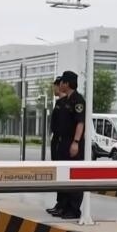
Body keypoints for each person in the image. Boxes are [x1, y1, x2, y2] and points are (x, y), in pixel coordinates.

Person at [53, 70, 86, 220]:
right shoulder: (65, 100)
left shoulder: (78, 100)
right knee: (64, 175)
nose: (60, 84)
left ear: (67, 83)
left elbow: (80, 122)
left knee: (74, 175)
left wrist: (76, 142)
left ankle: (74, 209)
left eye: (62, 82)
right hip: (63, 142)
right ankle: (64, 206)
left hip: (73, 143)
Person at [46, 76, 65, 216]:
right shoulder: (59, 103)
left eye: (55, 86)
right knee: (58, 173)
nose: (54, 88)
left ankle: (63, 204)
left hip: (61, 141)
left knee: (62, 173)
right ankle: (59, 203)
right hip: (56, 140)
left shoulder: (65, 103)